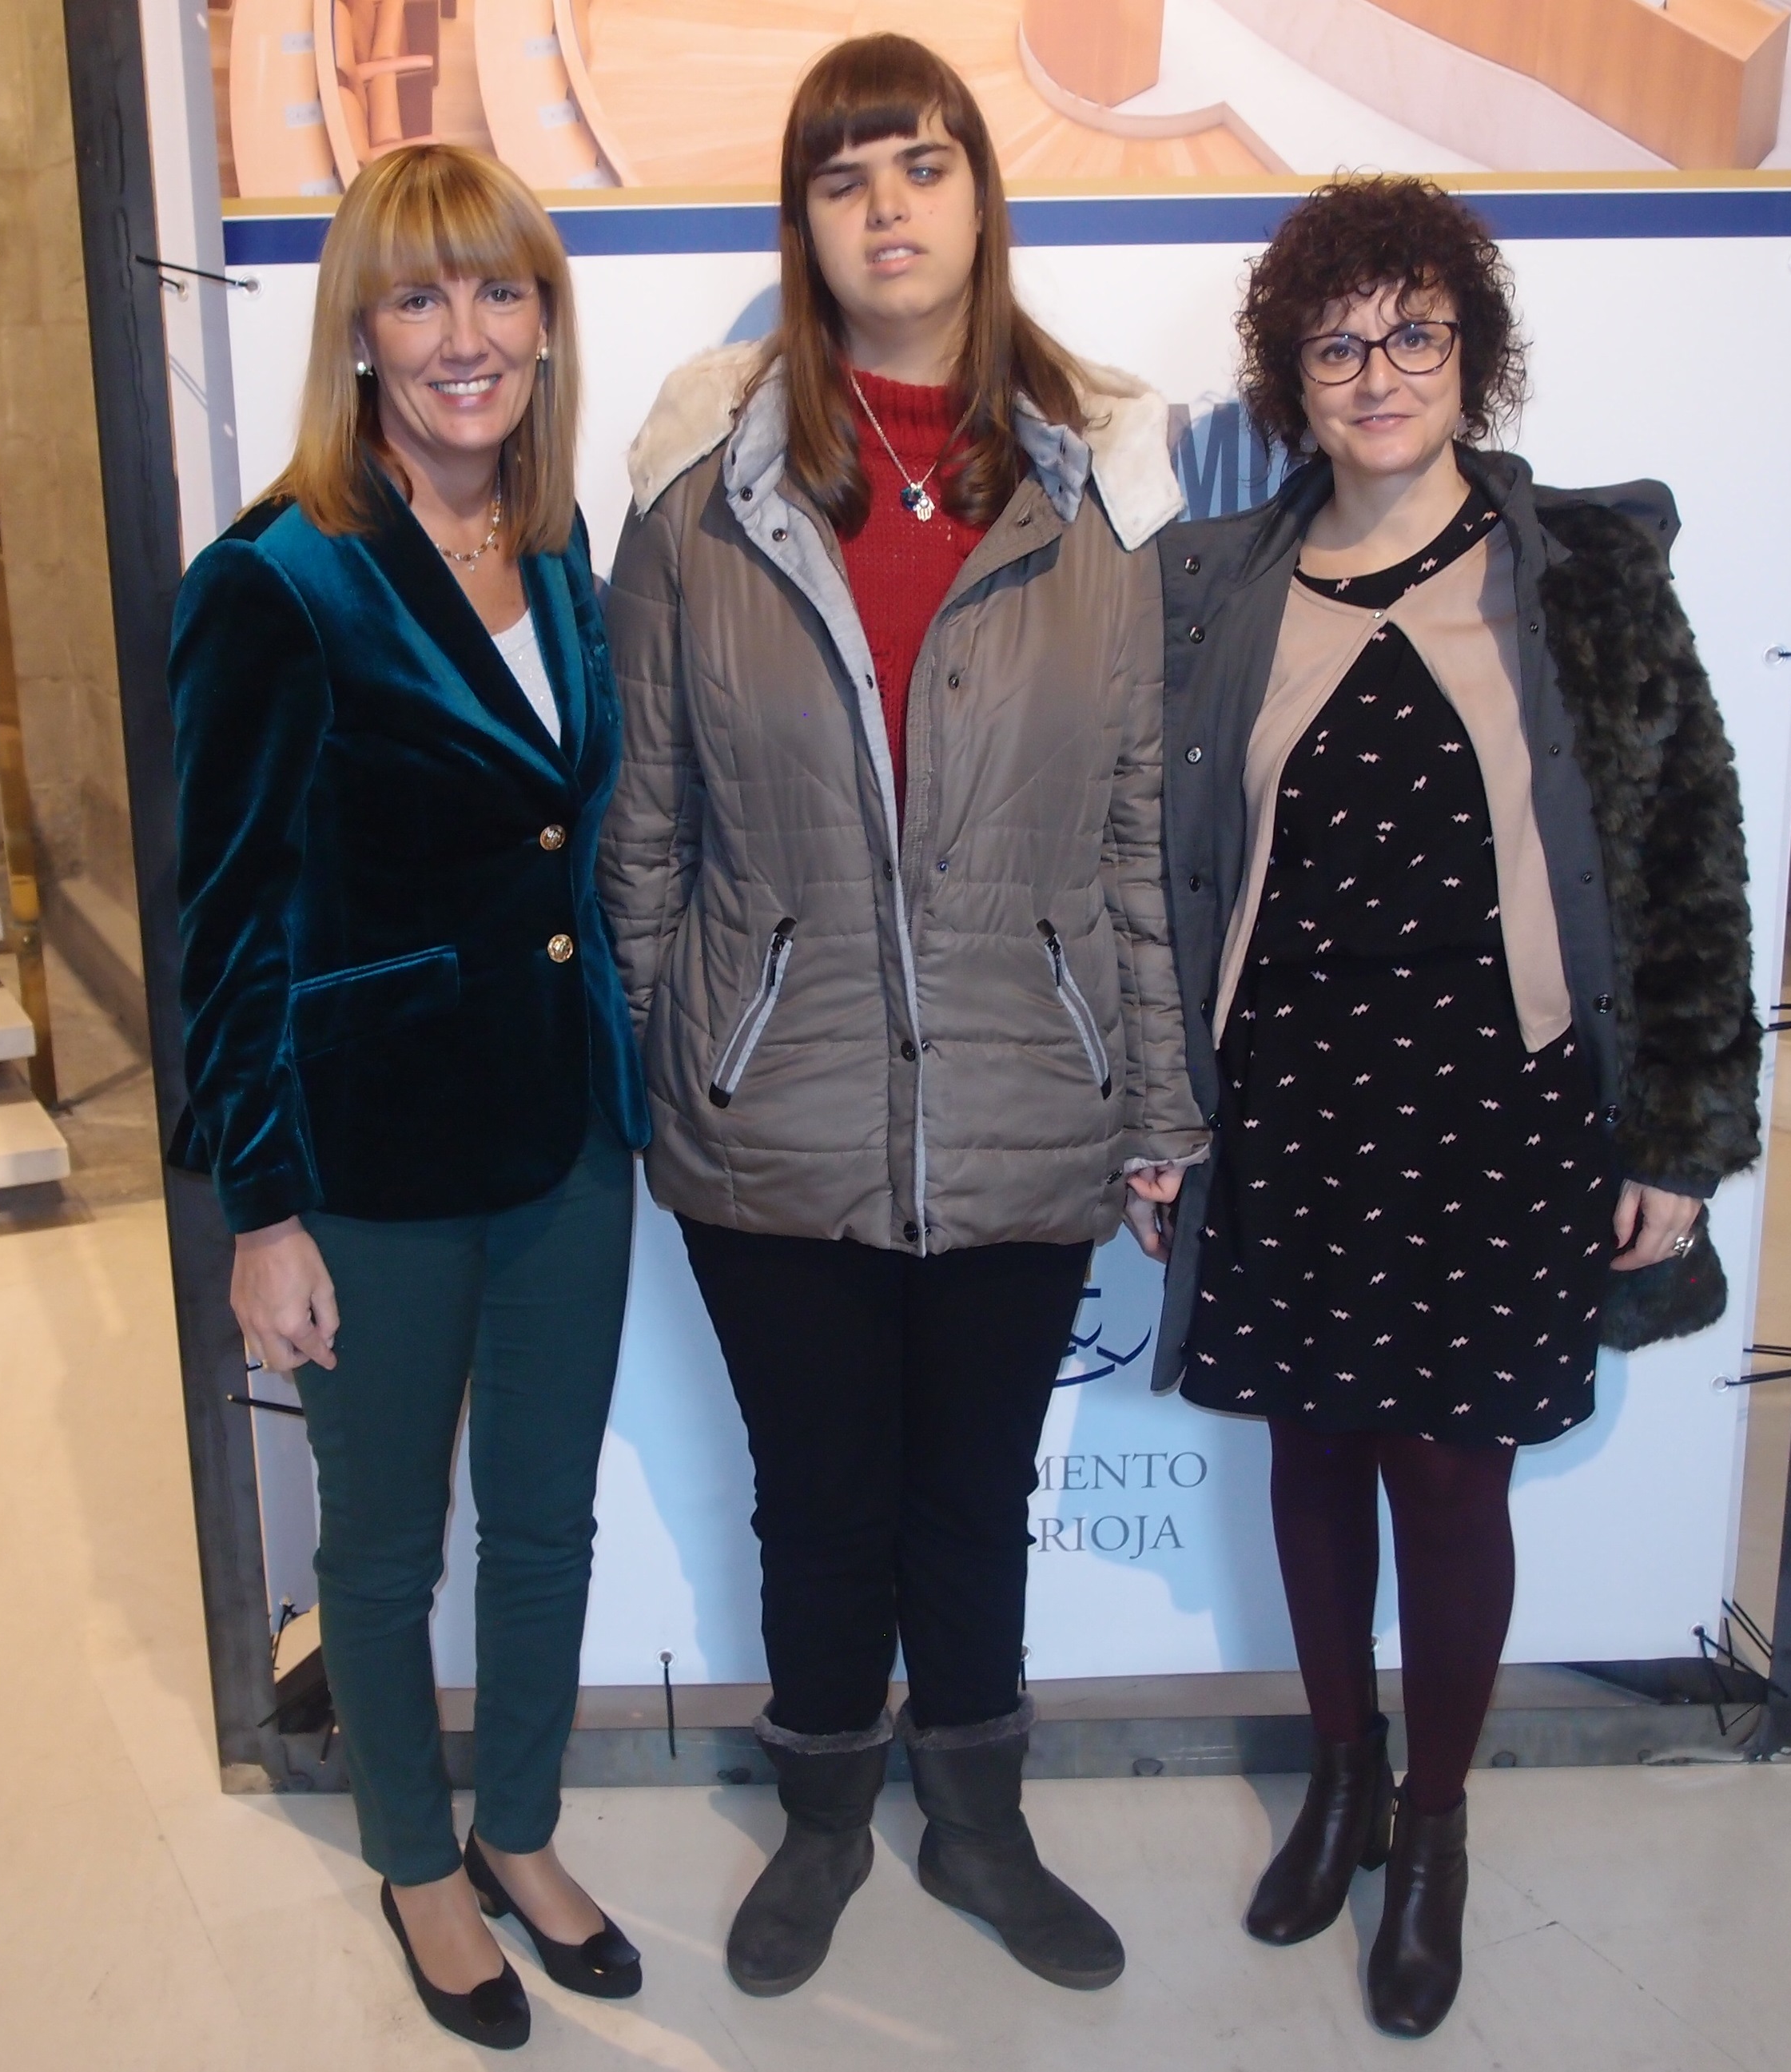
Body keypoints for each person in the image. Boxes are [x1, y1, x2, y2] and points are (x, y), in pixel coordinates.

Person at [600, 32, 1205, 2000]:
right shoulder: (700, 496)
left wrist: (1155, 1100)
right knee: (818, 1498)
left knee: (970, 1498)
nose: (886, 209)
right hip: (769, 1106)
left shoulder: (1094, 493)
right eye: (844, 175)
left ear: (977, 199)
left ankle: (979, 1820)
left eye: (922, 165)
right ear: (803, 220)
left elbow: (1133, 832)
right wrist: (673, 1061)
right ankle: (823, 1815)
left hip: (1032, 1086)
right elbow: (645, 824)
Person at [1152, 176, 1758, 2038]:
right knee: (1311, 1452)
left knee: (1445, 1469)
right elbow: (1157, 865)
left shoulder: (1585, 574)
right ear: (1289, 376)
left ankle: (1431, 1826)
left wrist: (1680, 1137)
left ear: (1470, 350)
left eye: (1414, 332)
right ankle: (1336, 1770)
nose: (1378, 372)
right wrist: (1159, 1105)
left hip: (1505, 1108)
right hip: (1291, 1101)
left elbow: (1688, 854)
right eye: (1337, 343)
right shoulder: (1210, 586)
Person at [168, 144, 651, 2052]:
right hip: (366, 1159)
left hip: (566, 1135)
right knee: (378, 1547)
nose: (468, 336)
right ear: (359, 334)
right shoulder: (276, 580)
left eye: (501, 291)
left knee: (544, 1519)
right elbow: (227, 928)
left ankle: (517, 1826)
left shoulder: (555, 538)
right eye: (421, 296)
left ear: (544, 321)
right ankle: (413, 1859)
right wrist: (260, 1210)